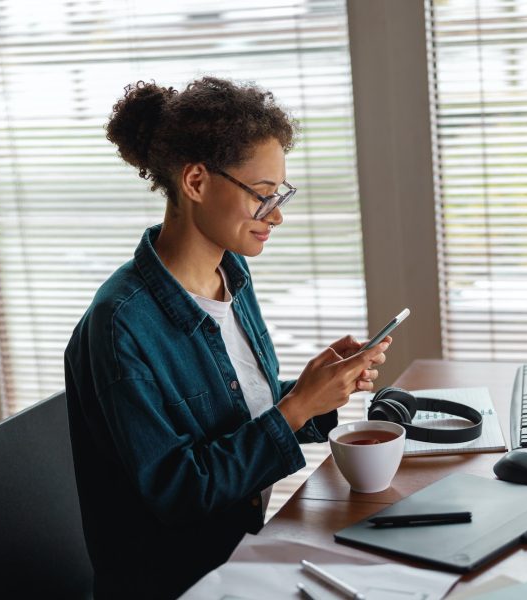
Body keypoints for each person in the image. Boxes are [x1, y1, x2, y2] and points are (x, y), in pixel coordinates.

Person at [64, 77, 390, 599]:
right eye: (263, 196)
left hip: (244, 550)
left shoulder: (230, 274)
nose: (277, 215)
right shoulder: (119, 326)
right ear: (195, 181)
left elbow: (232, 415)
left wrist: (317, 390)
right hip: (184, 581)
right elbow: (180, 491)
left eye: (279, 195)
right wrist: (296, 409)